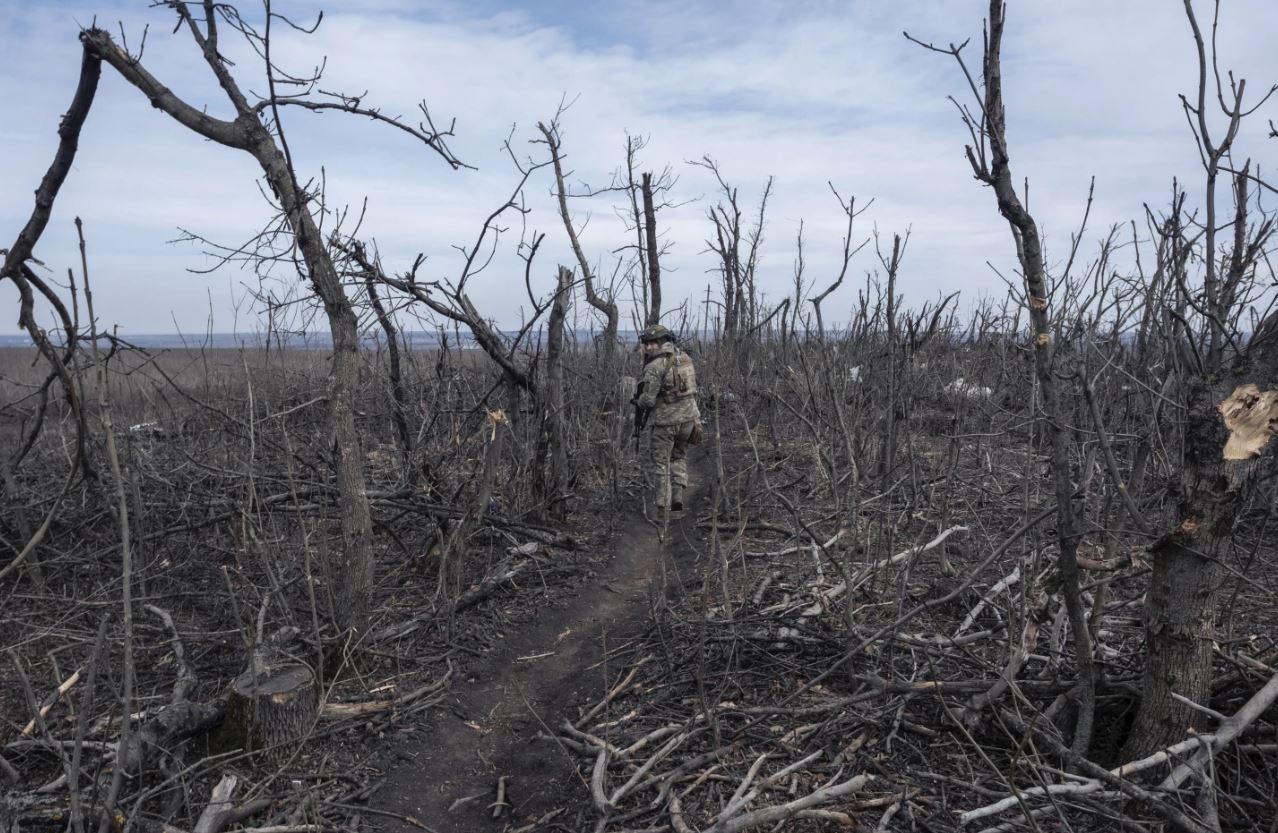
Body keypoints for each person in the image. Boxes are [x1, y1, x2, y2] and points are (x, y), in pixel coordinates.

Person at [632, 324, 700, 520]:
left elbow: (648, 401)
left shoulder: (654, 367)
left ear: (662, 343)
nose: (649, 347)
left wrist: (637, 400)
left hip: (665, 422)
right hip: (689, 419)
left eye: (653, 343)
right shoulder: (686, 358)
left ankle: (662, 511)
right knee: (678, 457)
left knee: (661, 464)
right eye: (647, 344)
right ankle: (677, 502)